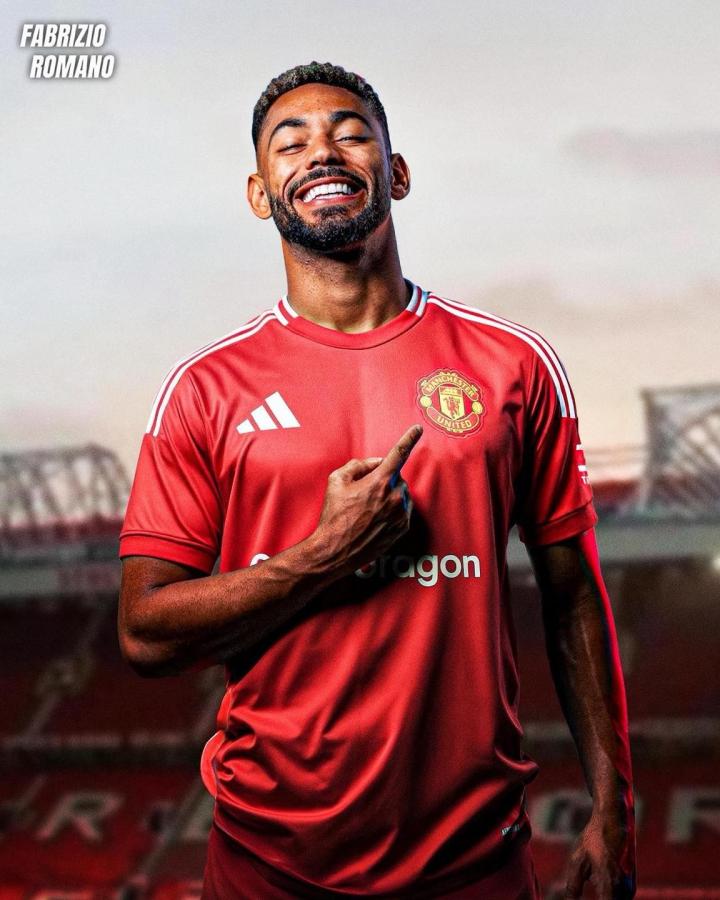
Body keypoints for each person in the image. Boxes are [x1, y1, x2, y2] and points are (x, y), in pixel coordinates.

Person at [118, 61, 636, 899]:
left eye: (350, 133)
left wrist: (615, 809)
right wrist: (321, 556)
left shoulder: (513, 364)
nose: (322, 152)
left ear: (395, 172)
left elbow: (572, 592)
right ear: (259, 194)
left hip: (475, 862)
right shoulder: (206, 389)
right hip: (267, 864)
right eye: (291, 144)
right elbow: (144, 634)